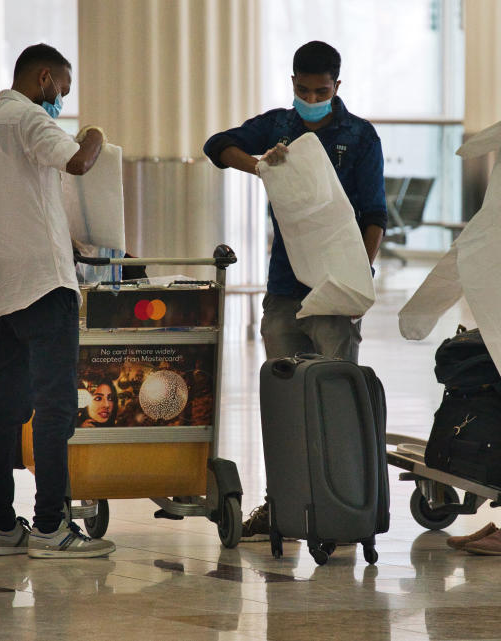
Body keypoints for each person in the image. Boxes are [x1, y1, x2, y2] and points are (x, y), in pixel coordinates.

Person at [203, 40, 387, 541]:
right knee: (284, 396)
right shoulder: (279, 126)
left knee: (340, 399)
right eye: (303, 89)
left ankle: (349, 508)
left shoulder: (361, 137)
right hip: (286, 284)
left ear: (337, 87)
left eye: (321, 90)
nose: (311, 97)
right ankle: (281, 505)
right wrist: (260, 163)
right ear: (292, 84)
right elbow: (217, 146)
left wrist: (359, 274)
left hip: (337, 287)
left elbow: (374, 214)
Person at [0, 43, 114, 558]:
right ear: (44, 79)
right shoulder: (27, 119)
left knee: (6, 403)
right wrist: (94, 132)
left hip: (5, 287)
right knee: (55, 408)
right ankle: (51, 526)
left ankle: (2, 527)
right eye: (62, 93)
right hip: (47, 285)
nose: (60, 104)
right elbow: (78, 160)